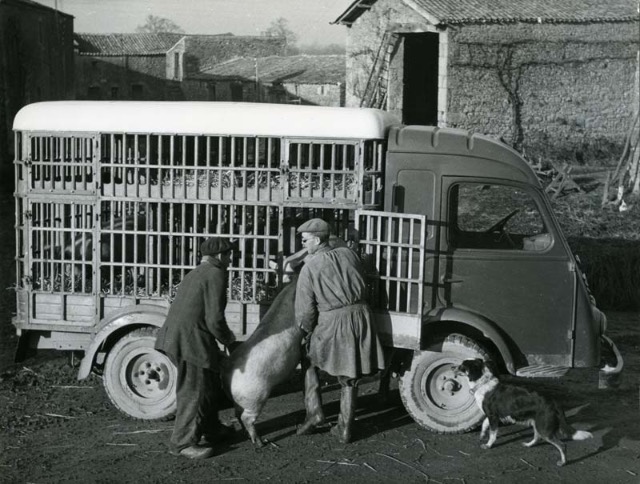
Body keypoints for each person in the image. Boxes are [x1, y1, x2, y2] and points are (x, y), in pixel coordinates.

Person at [294, 218, 385, 443]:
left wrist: (304, 332)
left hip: (333, 321)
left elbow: (305, 311)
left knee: (309, 360)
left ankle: (314, 414)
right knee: (350, 372)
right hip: (361, 317)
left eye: (305, 240)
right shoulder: (349, 254)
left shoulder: (310, 267)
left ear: (316, 239)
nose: (304, 244)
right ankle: (344, 427)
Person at [155, 236, 239, 460]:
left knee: (208, 385)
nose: (230, 260)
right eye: (229, 255)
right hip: (190, 341)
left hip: (176, 337)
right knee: (194, 391)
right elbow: (214, 319)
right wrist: (230, 341)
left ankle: (212, 430)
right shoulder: (216, 273)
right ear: (220, 256)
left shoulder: (195, 272)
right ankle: (182, 443)